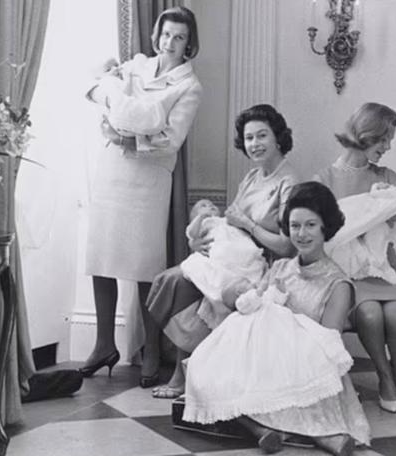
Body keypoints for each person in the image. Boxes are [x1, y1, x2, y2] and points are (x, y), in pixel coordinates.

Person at [184, 182, 369, 456]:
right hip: (267, 357)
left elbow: (329, 346)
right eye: (295, 226)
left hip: (310, 366)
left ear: (325, 228)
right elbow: (252, 309)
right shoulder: (281, 267)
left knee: (267, 388)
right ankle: (263, 430)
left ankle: (323, 436)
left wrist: (284, 324)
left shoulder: (338, 284)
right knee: (203, 367)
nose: (301, 234)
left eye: (310, 225)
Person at [140, 104, 301, 397]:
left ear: (278, 137)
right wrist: (197, 242)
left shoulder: (289, 183)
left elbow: (288, 246)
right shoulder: (252, 177)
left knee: (184, 284)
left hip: (262, 267)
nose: (255, 144)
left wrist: (249, 226)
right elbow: (228, 224)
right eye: (249, 138)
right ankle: (188, 370)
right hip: (231, 257)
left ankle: (184, 374)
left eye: (262, 136)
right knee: (174, 279)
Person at [80, 6, 203, 377]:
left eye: (178, 37)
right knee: (102, 257)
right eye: (165, 35)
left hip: (148, 179)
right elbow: (98, 91)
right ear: (157, 35)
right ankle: (104, 343)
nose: (169, 43)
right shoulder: (135, 66)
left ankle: (151, 348)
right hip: (113, 170)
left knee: (144, 266)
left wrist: (124, 133)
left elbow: (168, 141)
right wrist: (120, 109)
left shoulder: (189, 87)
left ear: (188, 43)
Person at [315, 102, 396, 414]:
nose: (388, 146)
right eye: (384, 139)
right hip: (348, 269)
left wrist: (386, 205)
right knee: (369, 314)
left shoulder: (386, 176)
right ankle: (384, 379)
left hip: (383, 265)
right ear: (365, 135)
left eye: (390, 140)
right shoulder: (325, 178)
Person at [327, 173, 396, 283]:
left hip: (378, 220)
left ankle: (370, 260)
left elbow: (378, 198)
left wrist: (378, 189)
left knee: (369, 238)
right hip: (376, 219)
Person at [180, 198, 267, 329]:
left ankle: (251, 277)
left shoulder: (226, 221)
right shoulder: (205, 223)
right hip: (223, 246)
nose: (209, 206)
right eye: (203, 206)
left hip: (239, 243)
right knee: (220, 255)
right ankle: (239, 289)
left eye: (212, 204)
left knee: (248, 251)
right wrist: (201, 217)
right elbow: (192, 234)